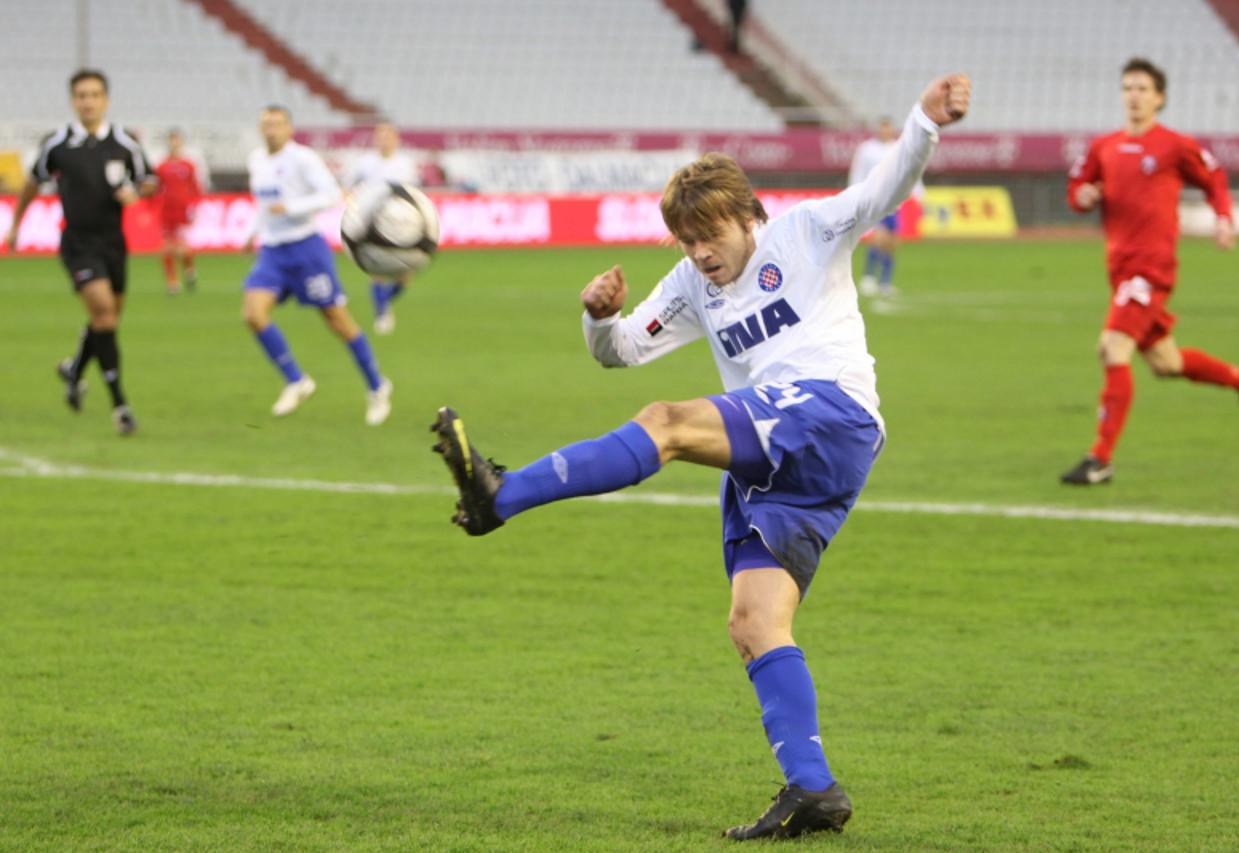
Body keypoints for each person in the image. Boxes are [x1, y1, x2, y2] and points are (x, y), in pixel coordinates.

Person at [431, 74, 971, 840]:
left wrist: (923, 119)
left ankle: (501, 495)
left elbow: (887, 187)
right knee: (754, 620)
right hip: (781, 462)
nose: (699, 251)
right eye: (686, 239)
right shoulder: (693, 282)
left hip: (829, 414)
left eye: (709, 234)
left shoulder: (808, 230)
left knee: (669, 423)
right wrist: (599, 316)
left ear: (750, 215)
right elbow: (621, 350)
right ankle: (813, 790)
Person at [1060, 57, 1239, 486]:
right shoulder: (1105, 146)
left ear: (1159, 98)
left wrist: (1224, 218)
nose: (1133, 96)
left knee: (1112, 348)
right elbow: (1077, 190)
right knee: (1166, 362)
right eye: (1127, 88)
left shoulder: (1174, 145)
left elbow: (1214, 178)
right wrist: (1082, 196)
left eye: (1142, 89)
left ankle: (1100, 458)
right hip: (1119, 270)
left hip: (1150, 269)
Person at [4, 68, 155, 435]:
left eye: (94, 95)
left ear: (106, 100)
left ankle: (75, 370)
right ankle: (120, 406)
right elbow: (32, 182)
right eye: (81, 95)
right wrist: (15, 225)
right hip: (78, 244)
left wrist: (137, 193)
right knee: (103, 313)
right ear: (74, 101)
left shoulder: (124, 143)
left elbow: (149, 179)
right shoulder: (58, 144)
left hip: (113, 244)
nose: (88, 101)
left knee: (107, 320)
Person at [241, 105, 393, 426]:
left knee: (337, 320)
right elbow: (265, 206)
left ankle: (377, 386)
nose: (271, 129)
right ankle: (296, 380)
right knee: (253, 313)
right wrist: (251, 233)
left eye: (277, 124)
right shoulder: (257, 160)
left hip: (306, 248)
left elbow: (331, 194)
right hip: (272, 251)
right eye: (266, 123)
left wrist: (292, 207)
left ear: (289, 128)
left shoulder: (303, 159)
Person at [343, 121, 420, 334]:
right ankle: (382, 313)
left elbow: (413, 193)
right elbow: (347, 187)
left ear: (396, 138)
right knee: (378, 271)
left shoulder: (406, 164)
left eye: (388, 134)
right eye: (380, 134)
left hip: (400, 222)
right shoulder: (364, 163)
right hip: (372, 223)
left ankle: (384, 301)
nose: (384, 139)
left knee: (406, 276)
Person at [849, 117, 921, 298]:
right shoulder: (867, 149)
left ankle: (885, 282)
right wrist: (854, 194)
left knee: (891, 243)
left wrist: (919, 192)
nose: (885, 131)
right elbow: (858, 172)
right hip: (874, 200)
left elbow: (910, 171)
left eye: (888, 128)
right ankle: (868, 277)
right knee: (879, 238)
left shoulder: (899, 147)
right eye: (882, 128)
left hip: (894, 201)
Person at [153, 128, 204, 294]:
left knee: (182, 247)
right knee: (167, 247)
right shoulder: (161, 166)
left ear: (181, 142)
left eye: (176, 140)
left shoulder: (188, 165)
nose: (174, 143)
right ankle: (172, 282)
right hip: (167, 210)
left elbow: (195, 188)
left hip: (183, 209)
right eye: (171, 140)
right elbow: (156, 188)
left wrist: (194, 207)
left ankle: (189, 271)